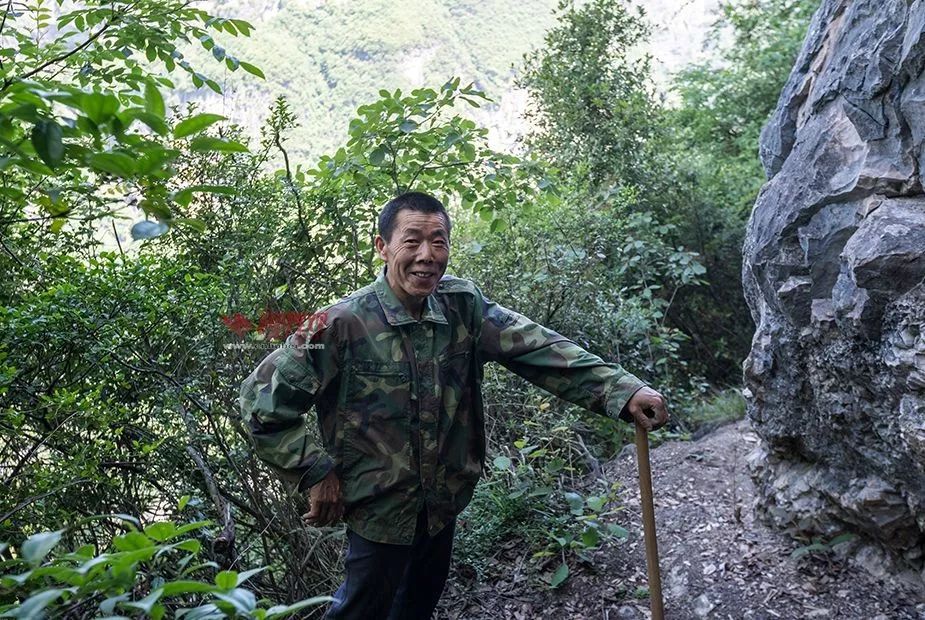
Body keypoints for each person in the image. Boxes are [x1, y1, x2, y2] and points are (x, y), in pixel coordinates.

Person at [239, 191, 670, 620]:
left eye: (439, 241)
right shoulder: (340, 323)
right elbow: (260, 403)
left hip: (441, 507)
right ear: (382, 246)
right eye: (412, 241)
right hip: (379, 512)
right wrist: (315, 471)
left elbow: (538, 348)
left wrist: (624, 390)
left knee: (415, 611)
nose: (427, 255)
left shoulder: (462, 307)